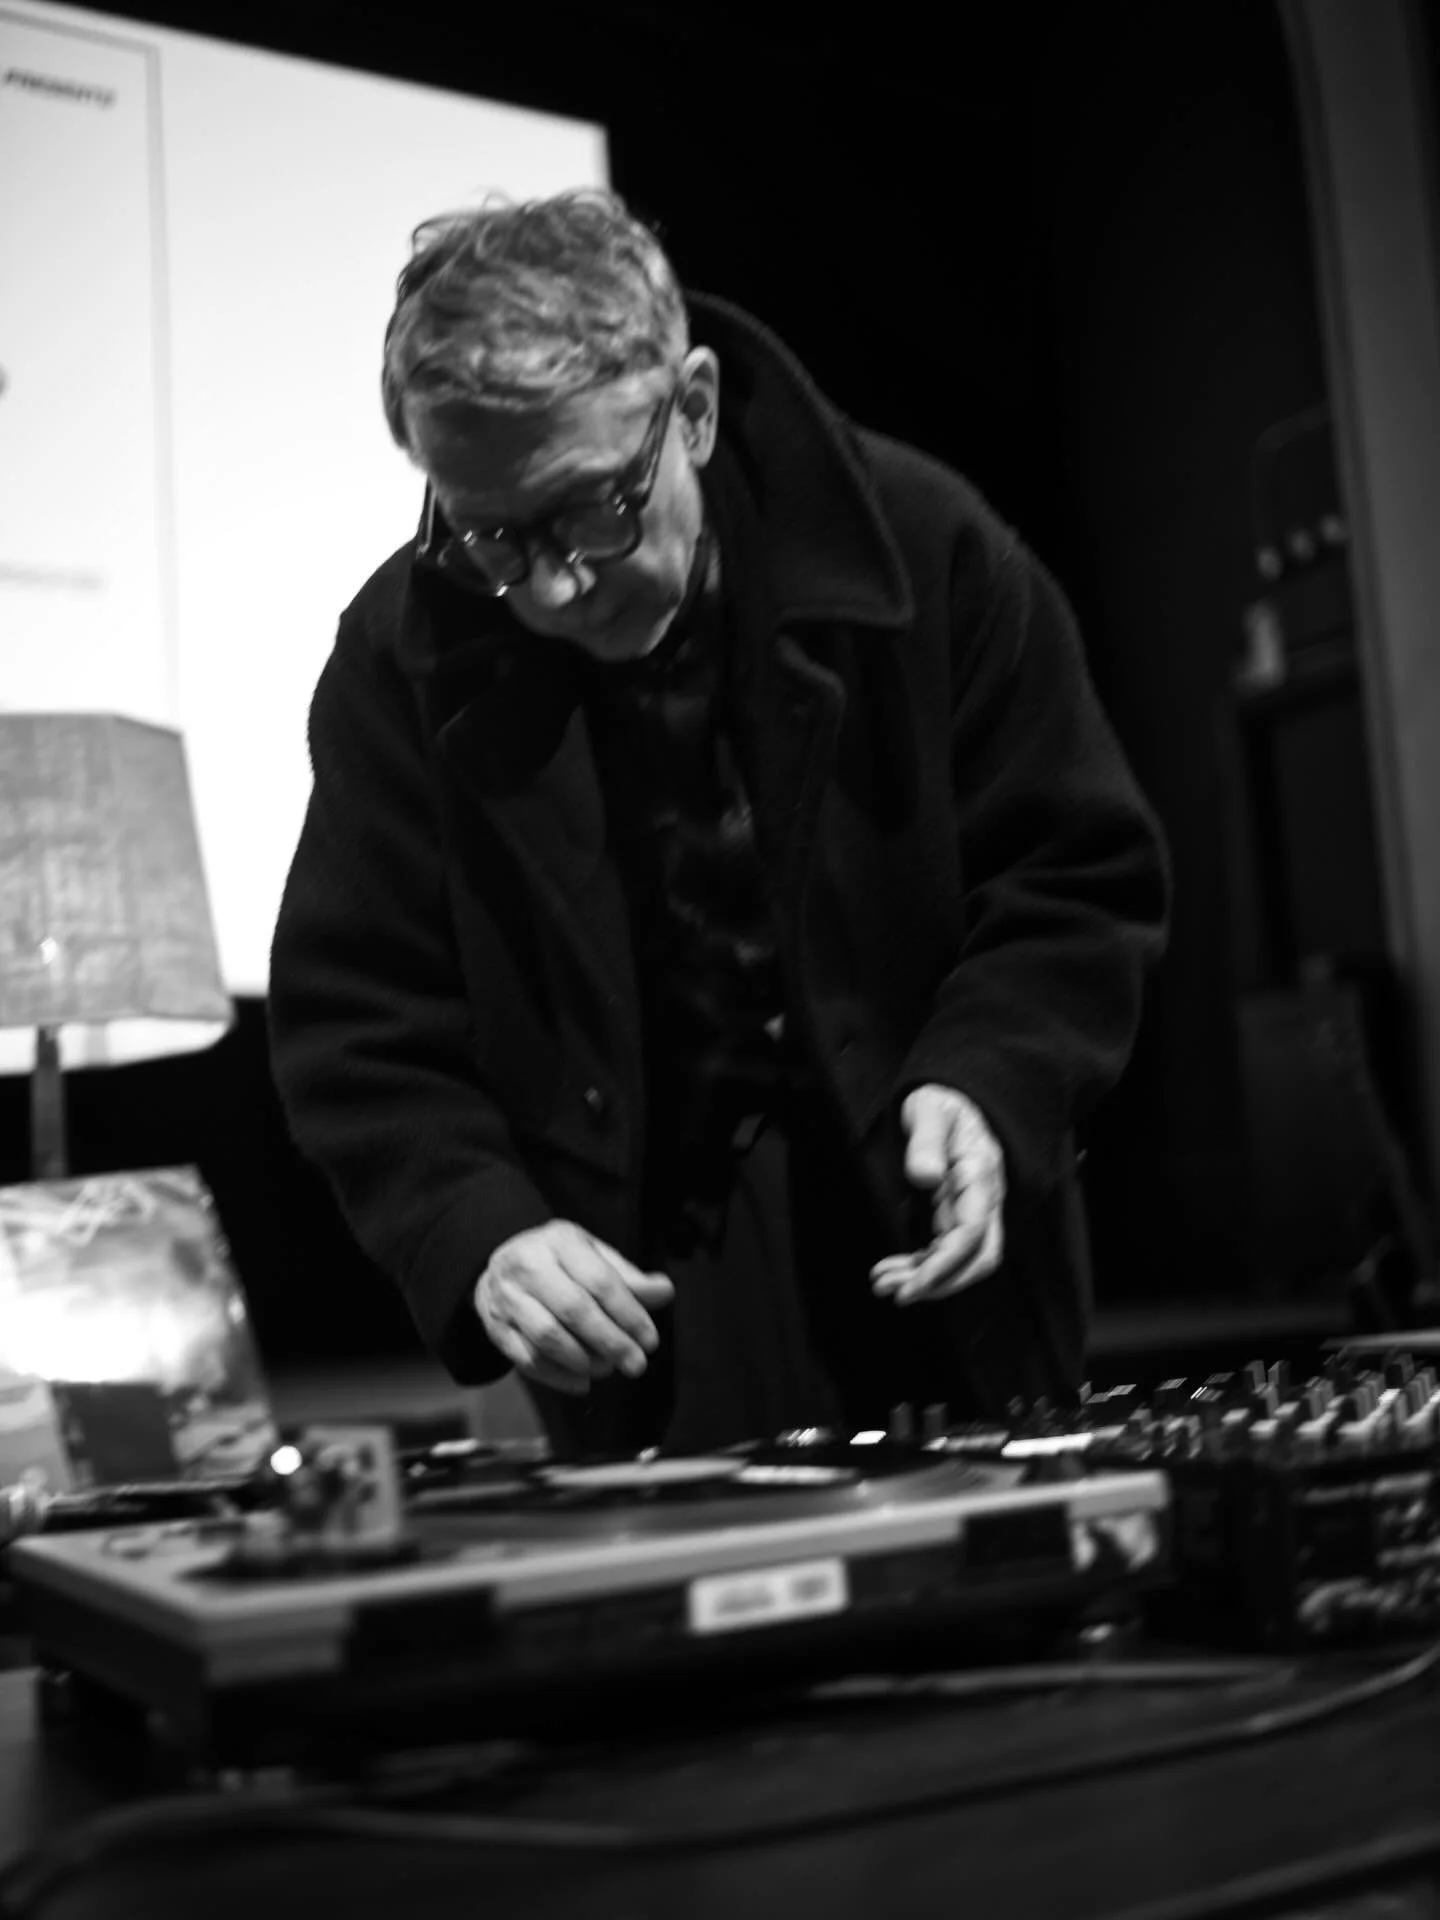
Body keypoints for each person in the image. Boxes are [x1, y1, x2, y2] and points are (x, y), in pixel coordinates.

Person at [268, 188, 1169, 1459]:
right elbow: (361, 1019)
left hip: (937, 1252)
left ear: (690, 408)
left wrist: (992, 1077)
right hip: (635, 1302)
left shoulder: (929, 549)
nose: (554, 588)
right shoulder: (397, 657)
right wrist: (479, 1232)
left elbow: (1074, 876)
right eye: (492, 535)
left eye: (595, 507)